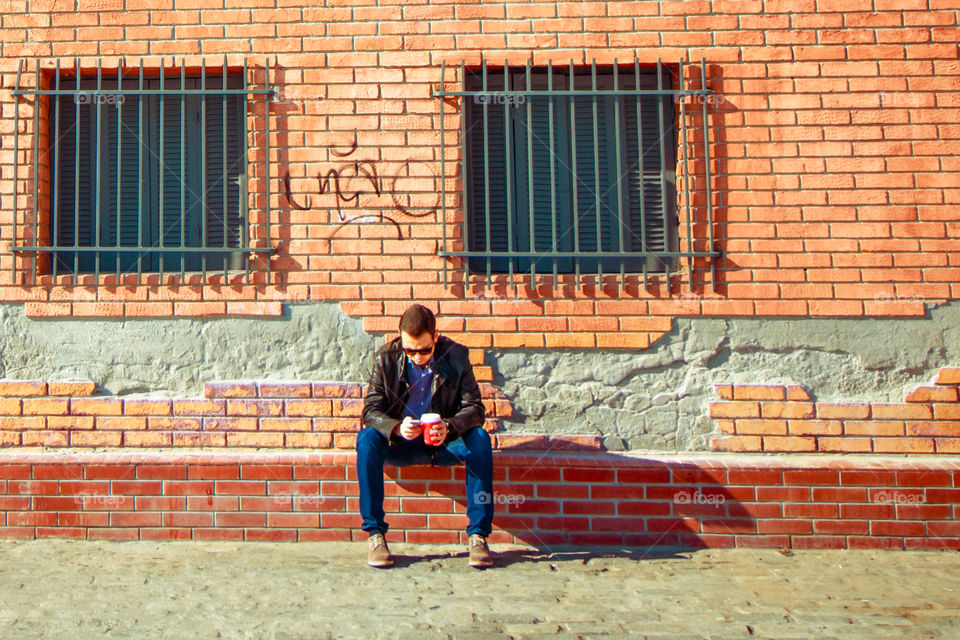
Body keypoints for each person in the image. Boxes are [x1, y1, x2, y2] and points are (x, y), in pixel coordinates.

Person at [357, 304, 494, 569]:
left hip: (444, 444)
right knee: (366, 440)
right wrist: (396, 427)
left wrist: (450, 426)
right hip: (402, 444)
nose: (417, 356)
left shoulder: (456, 356)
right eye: (409, 350)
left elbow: (476, 409)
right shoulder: (385, 358)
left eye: (424, 349)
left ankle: (478, 535)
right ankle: (375, 534)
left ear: (436, 337)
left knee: (479, 439)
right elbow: (370, 411)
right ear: (400, 338)